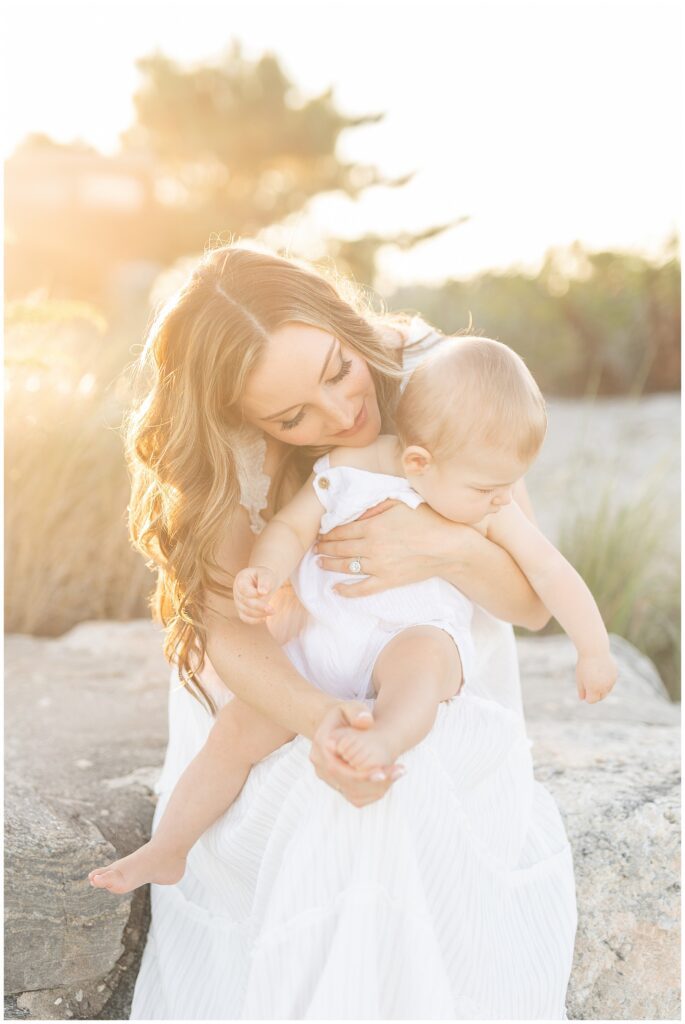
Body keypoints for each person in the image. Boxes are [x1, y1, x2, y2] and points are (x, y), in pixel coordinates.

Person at [124, 244, 578, 1019]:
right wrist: (319, 721)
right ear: (239, 416)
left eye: (338, 370)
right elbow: (231, 634)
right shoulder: (224, 446)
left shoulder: (437, 374)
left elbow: (530, 607)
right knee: (324, 808)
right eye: (290, 417)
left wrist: (444, 545)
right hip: (277, 685)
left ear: (345, 322)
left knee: (402, 796)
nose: (339, 415)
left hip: (422, 673)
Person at [89, 336, 616, 896]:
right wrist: (262, 574)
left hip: (413, 635)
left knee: (423, 666)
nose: (500, 498)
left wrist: (594, 648)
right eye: (489, 489)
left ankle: (384, 741)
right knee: (237, 728)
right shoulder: (344, 469)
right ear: (418, 462)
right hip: (322, 648)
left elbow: (549, 571)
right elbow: (290, 528)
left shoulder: (486, 498)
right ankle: (169, 848)